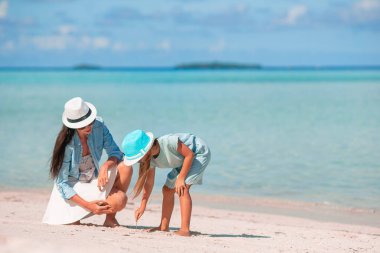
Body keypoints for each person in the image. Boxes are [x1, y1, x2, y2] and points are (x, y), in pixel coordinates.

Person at [42, 97, 133, 227]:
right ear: (73, 126)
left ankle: (110, 219)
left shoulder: (99, 126)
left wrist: (105, 167)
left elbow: (116, 153)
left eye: (90, 122)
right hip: (73, 188)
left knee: (125, 173)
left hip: (92, 180)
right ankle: (81, 211)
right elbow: (62, 183)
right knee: (72, 223)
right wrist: (89, 206)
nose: (89, 127)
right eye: (83, 126)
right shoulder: (66, 144)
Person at [122, 129, 211, 236]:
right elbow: (149, 183)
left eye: (137, 158)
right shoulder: (149, 160)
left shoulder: (169, 142)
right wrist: (143, 206)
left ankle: (185, 230)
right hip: (182, 161)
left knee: (182, 188)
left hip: (197, 154)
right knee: (167, 190)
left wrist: (181, 178)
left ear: (147, 150)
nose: (137, 162)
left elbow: (189, 155)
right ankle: (163, 226)